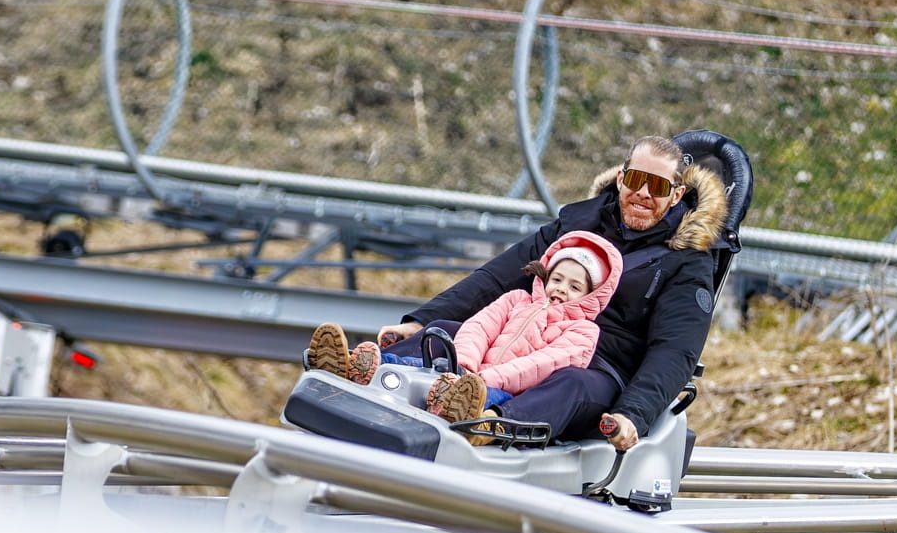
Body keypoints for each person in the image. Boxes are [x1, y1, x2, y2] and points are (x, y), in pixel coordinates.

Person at [372, 134, 729, 452]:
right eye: (637, 180)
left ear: (676, 195)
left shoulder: (687, 263)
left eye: (659, 187)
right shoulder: (577, 225)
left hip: (598, 367)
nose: (644, 193)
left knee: (570, 383)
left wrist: (633, 413)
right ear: (621, 179)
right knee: (446, 332)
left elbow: (674, 350)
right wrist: (420, 321)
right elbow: (497, 277)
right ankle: (369, 373)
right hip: (532, 338)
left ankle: (488, 423)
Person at [308, 231, 623, 445]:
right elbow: (479, 327)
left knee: (480, 397)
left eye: (574, 287)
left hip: (503, 389)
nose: (561, 289)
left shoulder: (583, 331)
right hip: (463, 372)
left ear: (591, 295)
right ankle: (355, 367)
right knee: (417, 362)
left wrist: (483, 379)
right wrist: (464, 364)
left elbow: (541, 364)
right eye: (557, 279)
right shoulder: (517, 299)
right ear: (546, 276)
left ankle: (460, 410)